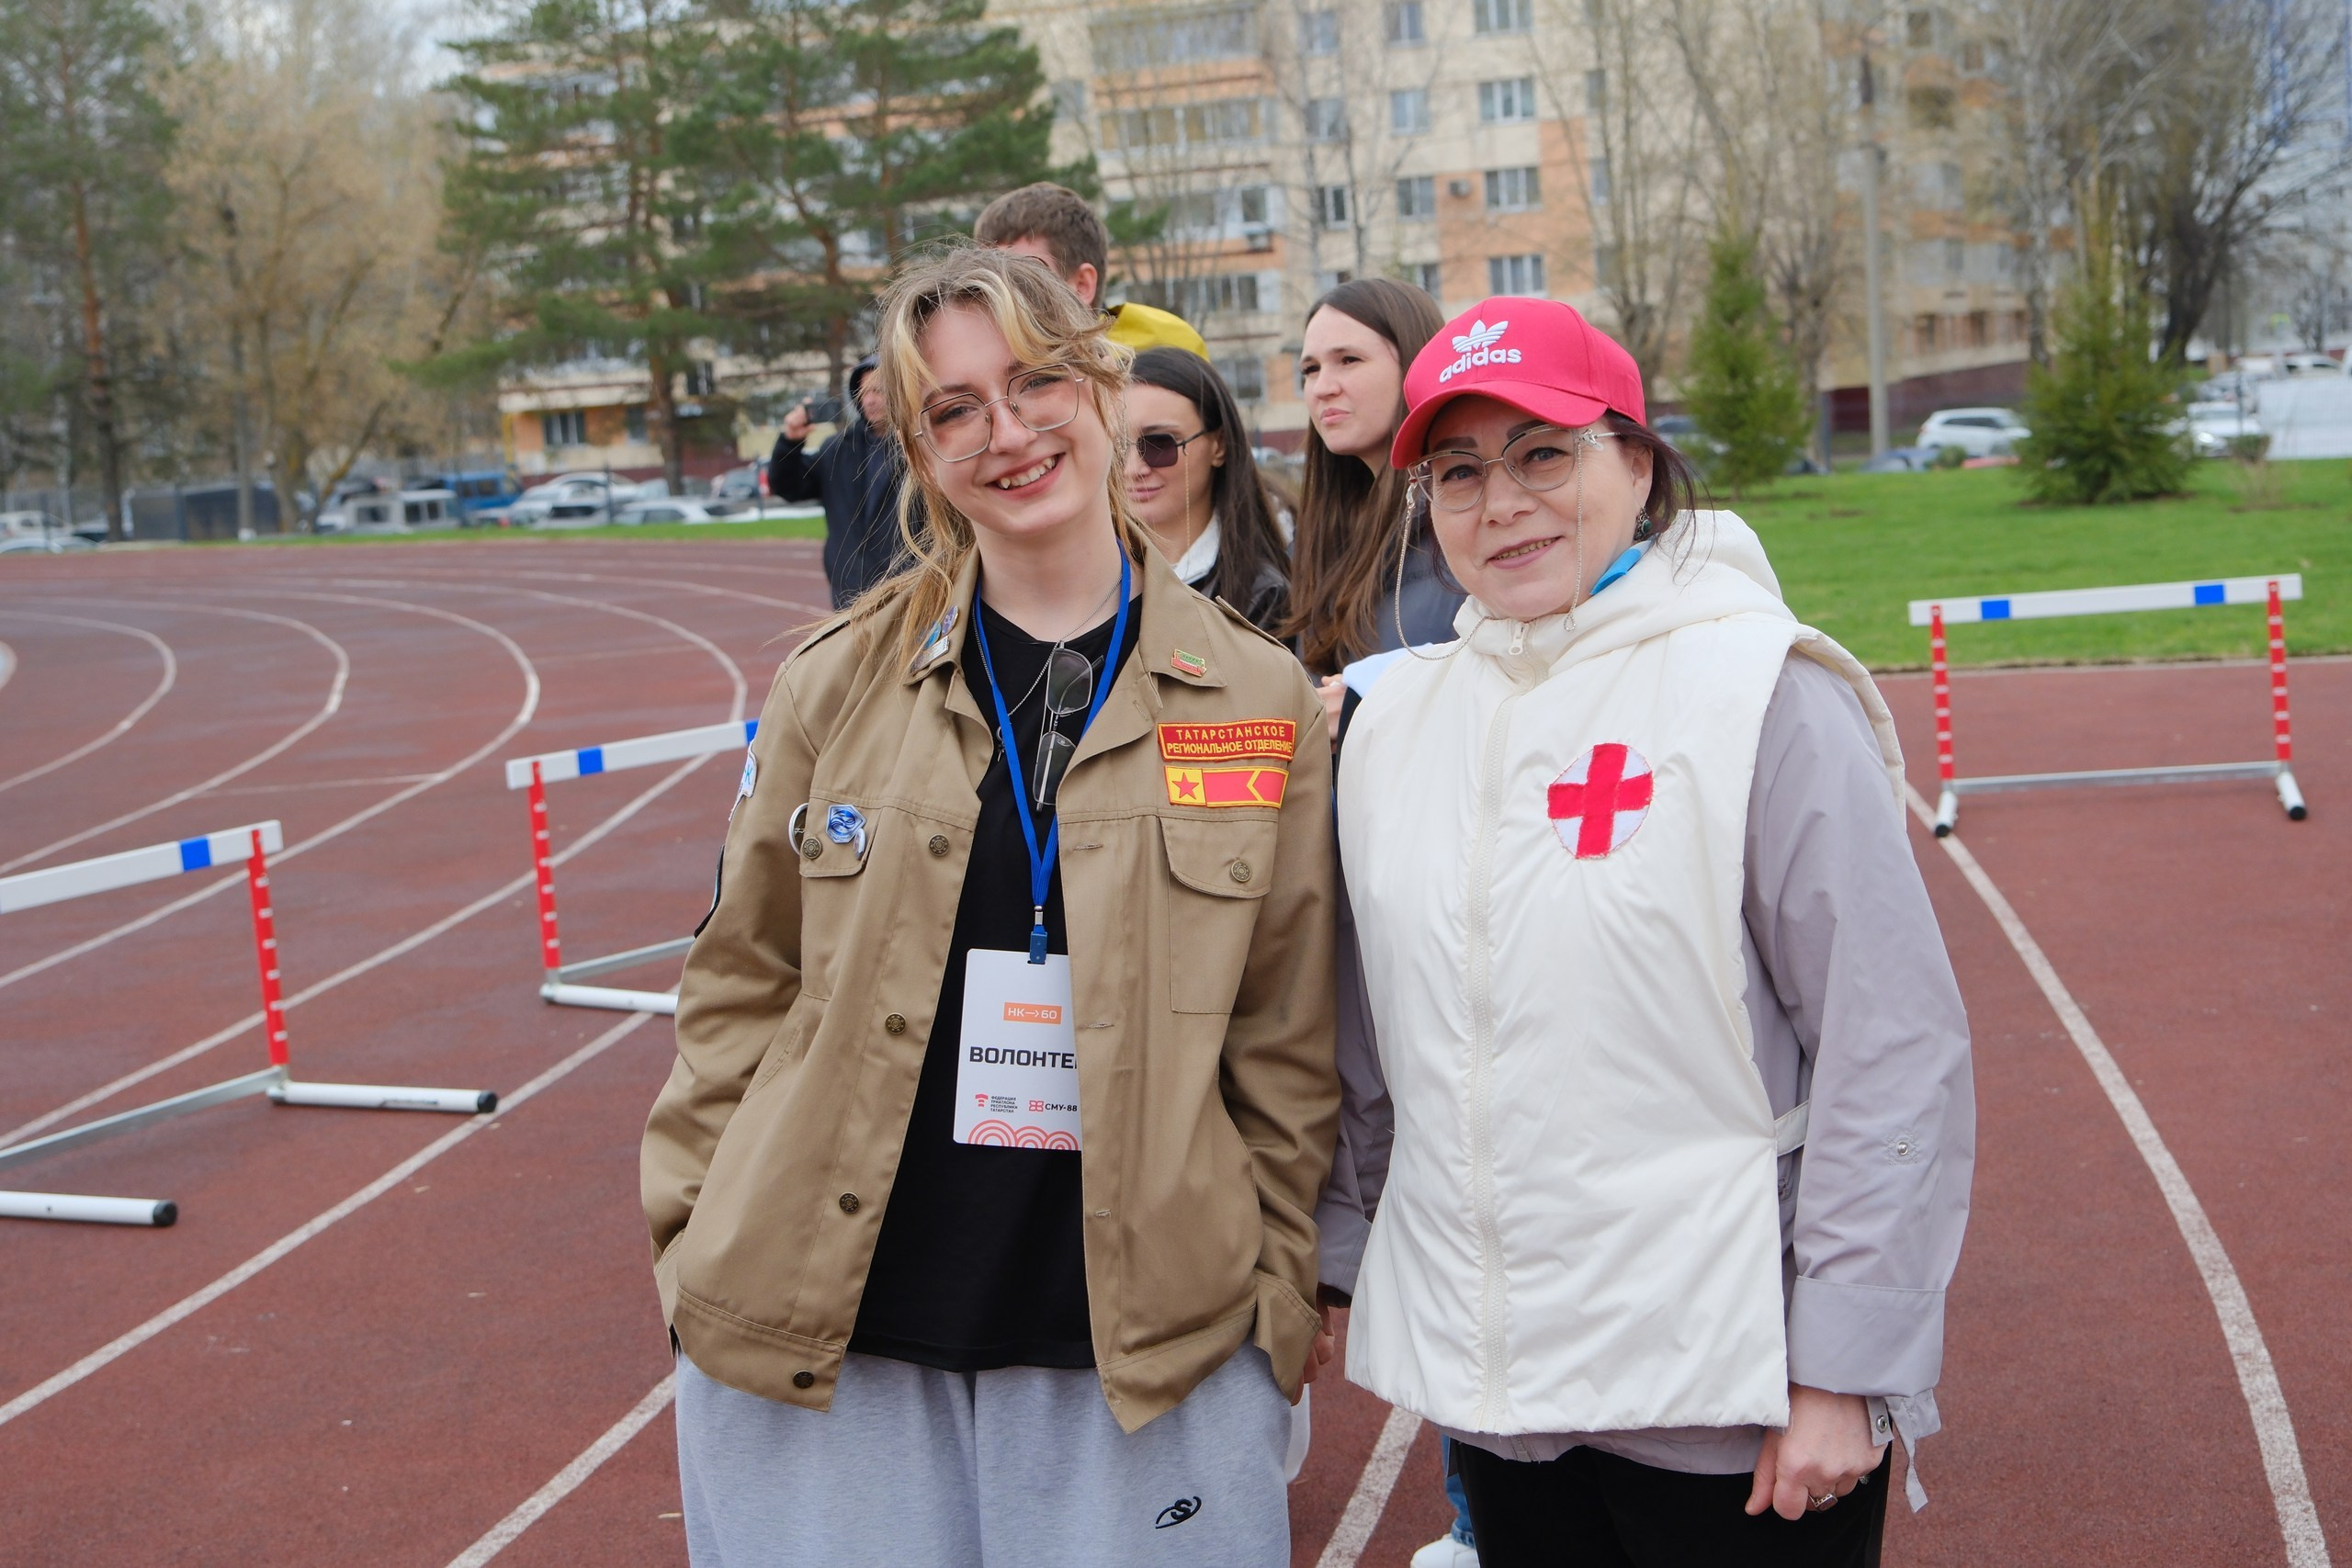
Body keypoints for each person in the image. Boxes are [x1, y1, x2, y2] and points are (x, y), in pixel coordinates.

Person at [643, 243, 1341, 1567]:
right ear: (914, 446)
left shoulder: (1254, 697)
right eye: (952, 409)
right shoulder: (829, 686)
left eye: (1031, 383)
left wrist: (1269, 1310)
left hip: (1141, 1351)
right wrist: (691, 1239)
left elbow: (1285, 1044)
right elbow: (738, 983)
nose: (1004, 433)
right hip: (831, 1336)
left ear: (1100, 384)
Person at [1320, 296, 1975, 1567]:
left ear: (1637, 459)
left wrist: (1843, 1364)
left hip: (1727, 1400)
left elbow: (1890, 1044)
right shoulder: (1400, 726)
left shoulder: (1761, 693)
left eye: (1542, 453)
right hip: (1506, 1401)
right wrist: (1341, 1256)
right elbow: (1371, 1036)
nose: (1501, 501)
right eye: (1458, 471)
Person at [1283, 278, 1460, 737]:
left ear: (1416, 364)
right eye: (1309, 369)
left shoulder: (1468, 513)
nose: (1322, 388)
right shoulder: (1320, 532)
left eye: (1348, 360)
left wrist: (1373, 697)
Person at [1121, 346, 1291, 636]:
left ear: (1219, 445)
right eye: (1116, 446)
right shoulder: (1084, 577)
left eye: (1160, 443)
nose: (1132, 468)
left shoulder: (1263, 595)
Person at [976, 182, 1211, 358]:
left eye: (1026, 278)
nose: (1003, 296)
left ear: (1082, 285)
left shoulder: (1165, 353)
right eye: (990, 281)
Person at [768, 354, 912, 607]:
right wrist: (789, 441)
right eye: (863, 392)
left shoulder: (920, 446)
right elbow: (788, 487)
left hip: (909, 592)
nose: (869, 400)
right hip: (851, 596)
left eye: (878, 390)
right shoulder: (837, 449)